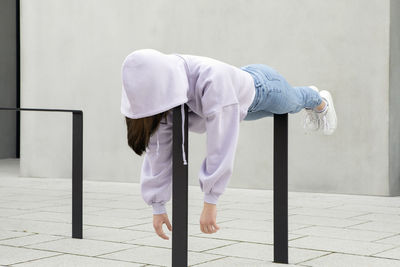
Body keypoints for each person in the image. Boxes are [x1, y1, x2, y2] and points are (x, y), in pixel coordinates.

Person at [121, 48, 337, 240]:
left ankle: (319, 100)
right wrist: (157, 206)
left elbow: (221, 142)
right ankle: (309, 99)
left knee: (294, 102)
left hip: (264, 88)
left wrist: (210, 201)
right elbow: (159, 150)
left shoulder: (213, 81)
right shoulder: (164, 95)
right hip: (238, 99)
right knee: (272, 110)